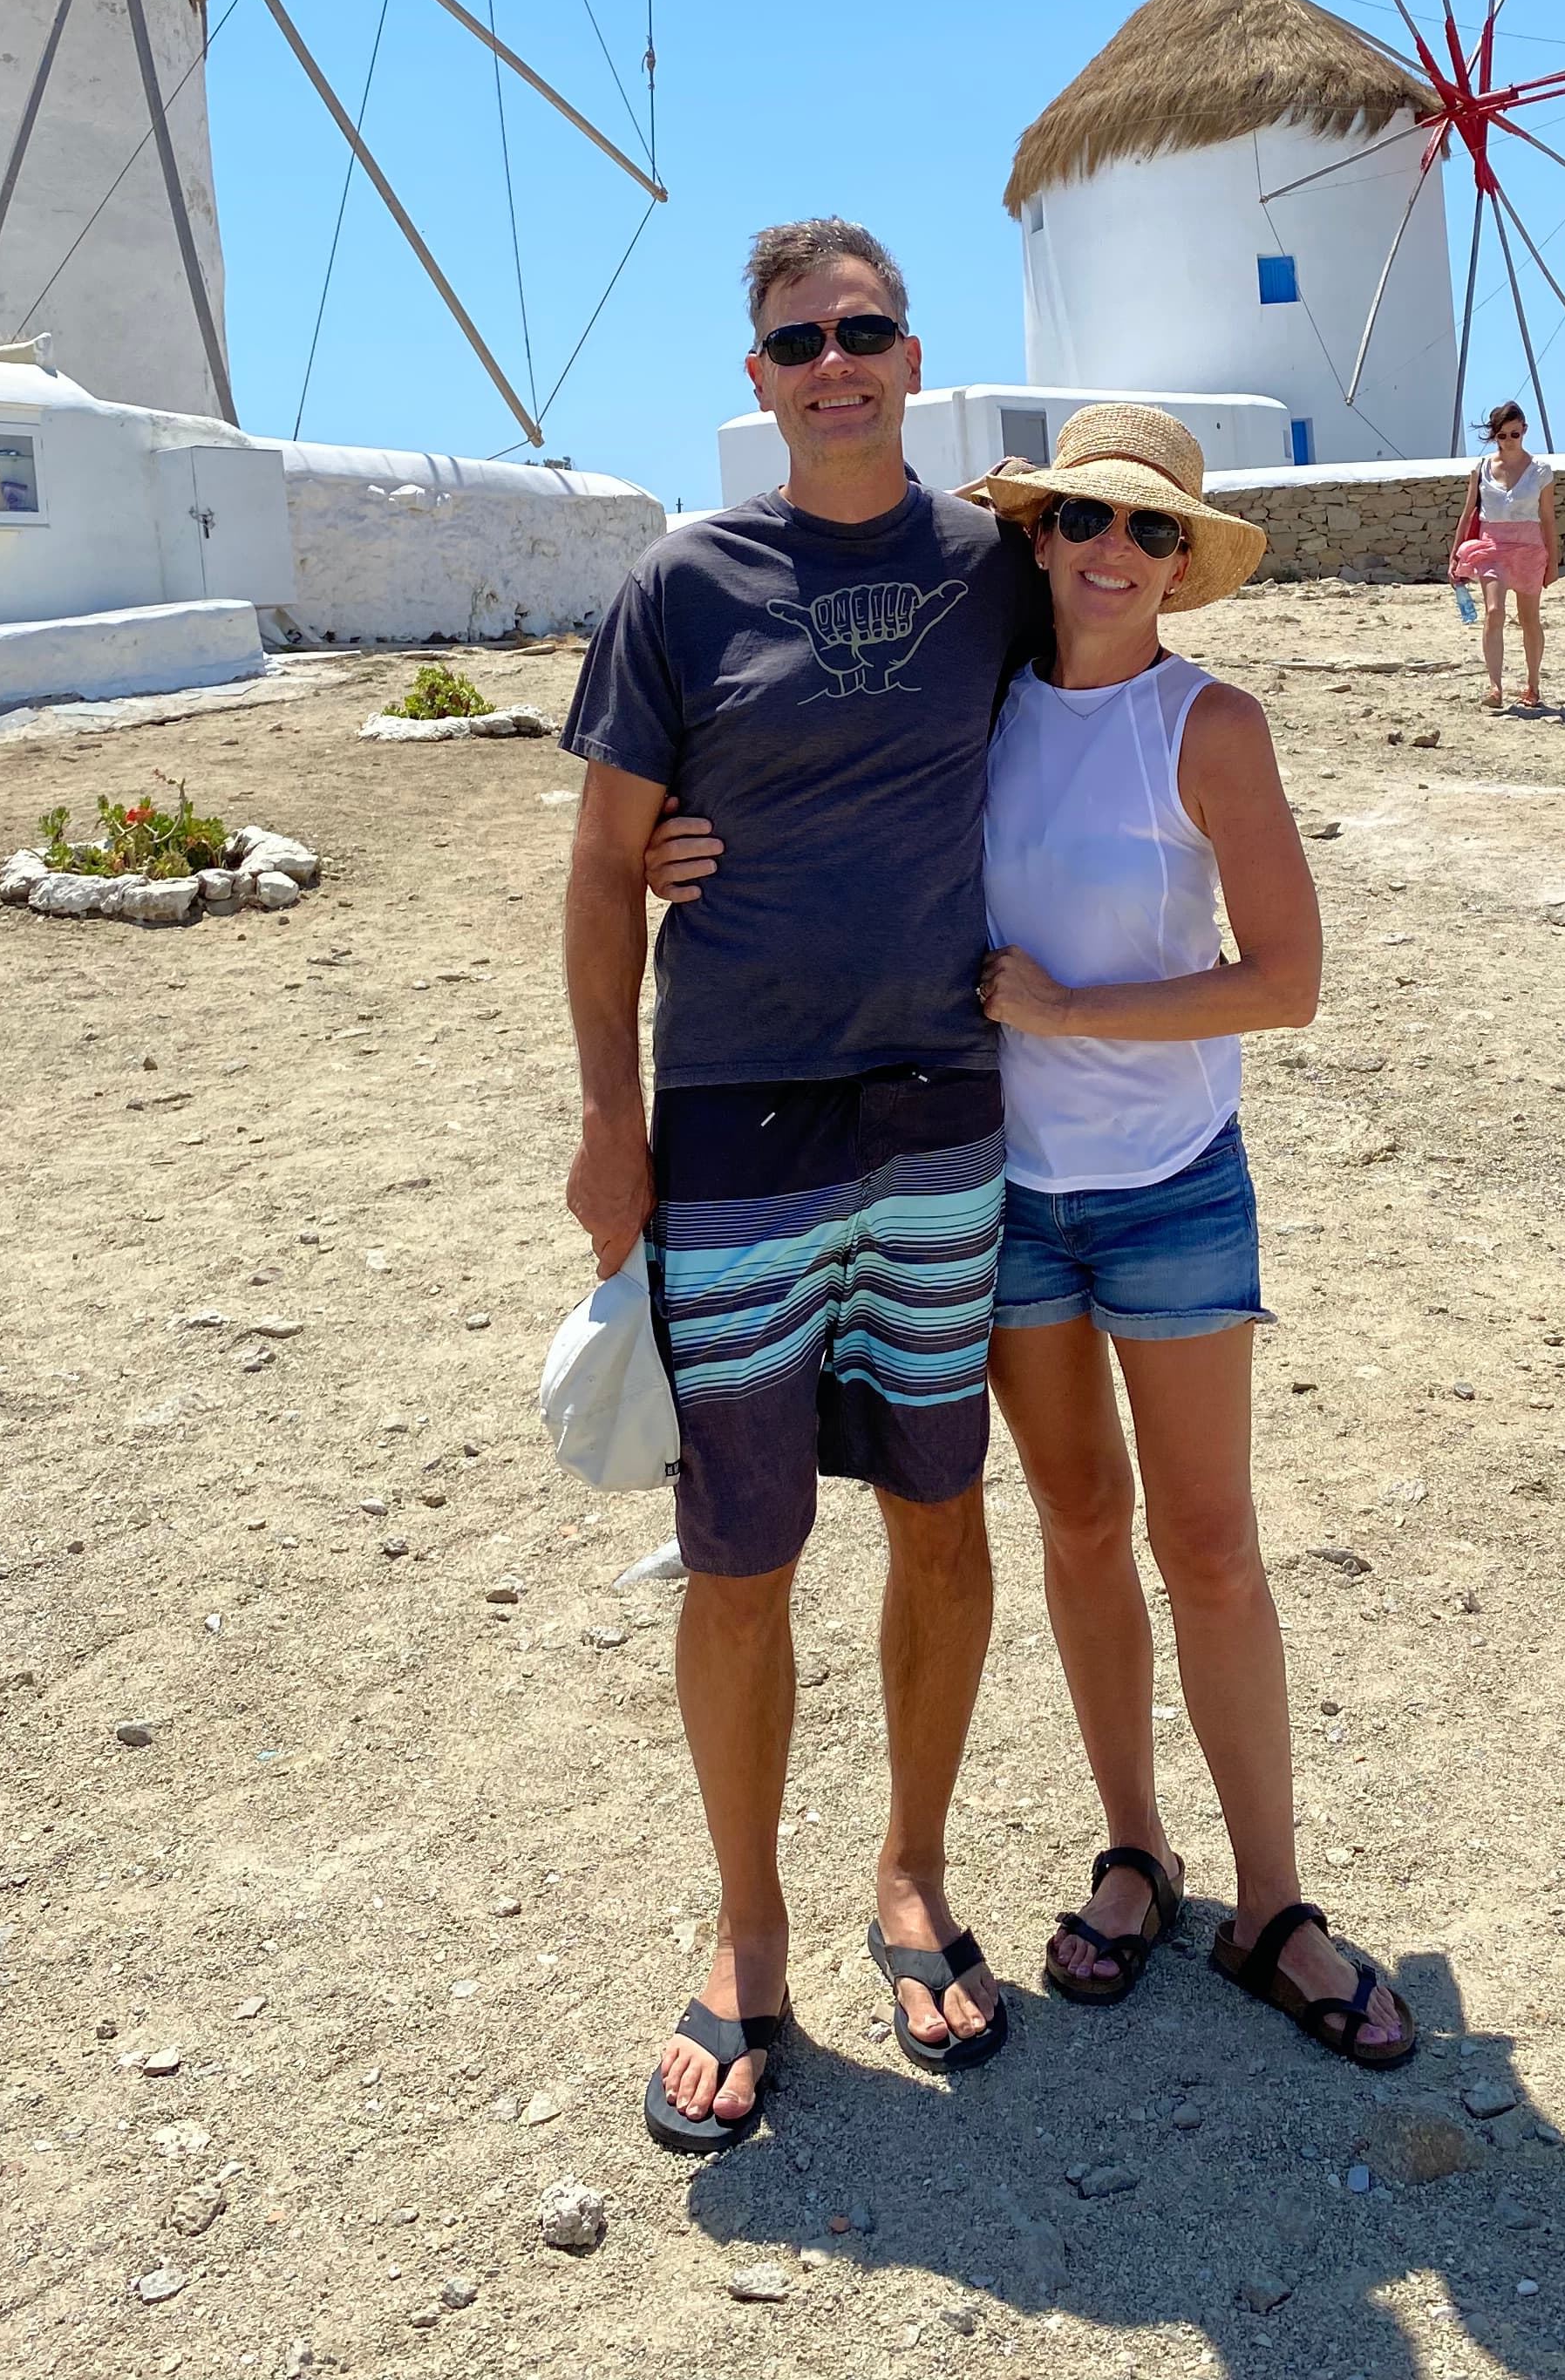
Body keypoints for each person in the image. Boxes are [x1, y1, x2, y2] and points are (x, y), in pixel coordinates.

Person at [649, 405, 1417, 2073]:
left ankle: (1273, 1900)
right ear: (1039, 534)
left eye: (1147, 533)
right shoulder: (977, 707)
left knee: (1206, 1545)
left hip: (1165, 1186)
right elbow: (827, 792)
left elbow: (1284, 981)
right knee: (1075, 1523)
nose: (1110, 554)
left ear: (1182, 563)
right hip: (997, 1192)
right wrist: (669, 838)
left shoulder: (1205, 723)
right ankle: (1132, 1849)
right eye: (1080, 519)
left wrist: (1080, 1009)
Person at [557, 220, 1043, 2156]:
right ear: (755, 378)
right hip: (743, 1114)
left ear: (914, 358)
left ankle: (908, 1872)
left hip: (941, 1106)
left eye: (866, 331)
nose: (834, 362)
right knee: (740, 1551)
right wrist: (611, 1123)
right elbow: (603, 869)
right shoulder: (681, 587)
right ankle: (749, 1930)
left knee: (939, 1512)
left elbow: (1118, 681)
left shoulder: (993, 569)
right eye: (797, 340)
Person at [1450, 400, 1558, 711]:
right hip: (1491, 547)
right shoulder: (1482, 468)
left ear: (1524, 431)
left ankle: (1532, 685)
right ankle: (1495, 687)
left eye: (1514, 434)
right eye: (1502, 435)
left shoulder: (1541, 471)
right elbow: (1468, 513)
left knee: (1529, 619)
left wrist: (1553, 561)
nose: (1509, 441)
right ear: (1494, 436)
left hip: (1529, 549)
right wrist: (1454, 558)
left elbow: (1548, 518)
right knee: (1494, 611)